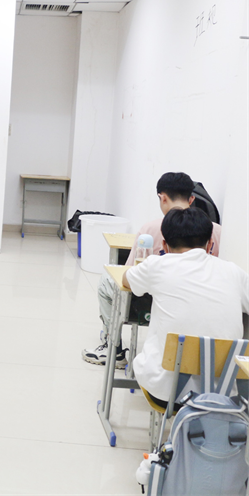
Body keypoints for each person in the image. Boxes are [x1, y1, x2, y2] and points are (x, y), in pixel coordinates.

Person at [82, 172, 223, 368]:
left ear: (162, 197)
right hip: (206, 309)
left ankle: (112, 346)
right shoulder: (217, 231)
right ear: (192, 199)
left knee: (107, 279)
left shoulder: (151, 230)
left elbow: (127, 276)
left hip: (148, 304)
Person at [124, 207, 249, 406]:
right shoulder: (234, 272)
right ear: (210, 244)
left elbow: (127, 279)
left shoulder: (157, 265)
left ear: (164, 245)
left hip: (167, 394)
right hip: (222, 394)